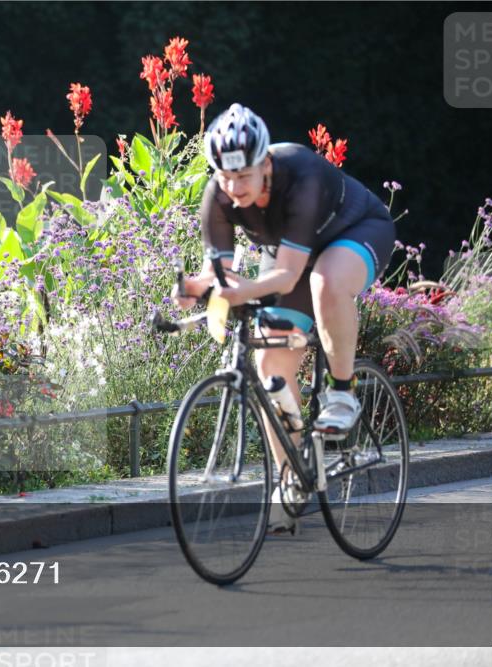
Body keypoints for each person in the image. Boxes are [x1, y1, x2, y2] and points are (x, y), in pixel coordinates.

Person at [171, 103, 396, 532]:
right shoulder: (217, 196)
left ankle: (343, 392)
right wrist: (194, 289)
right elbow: (216, 272)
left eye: (244, 177)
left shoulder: (301, 175)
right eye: (225, 177)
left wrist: (237, 289)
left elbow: (290, 273)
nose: (234, 188)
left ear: (266, 164)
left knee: (325, 282)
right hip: (291, 249)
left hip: (353, 231)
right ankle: (293, 475)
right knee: (271, 361)